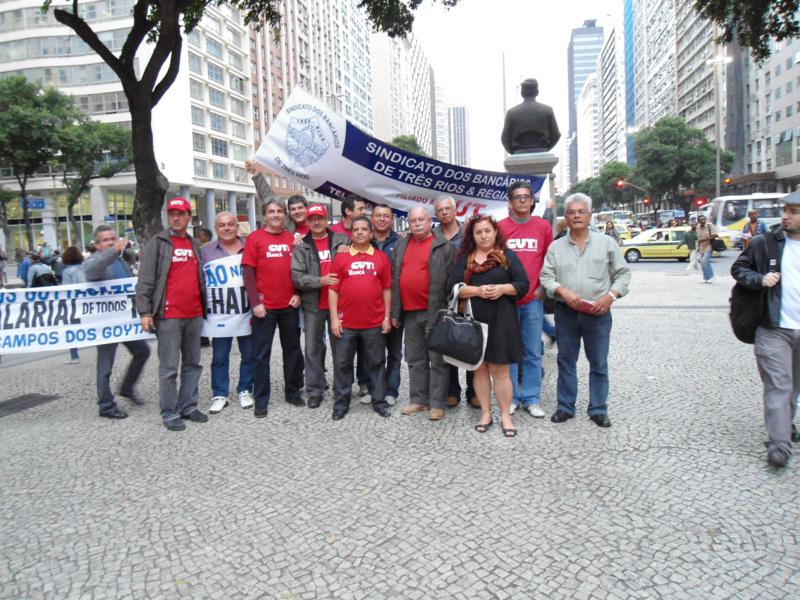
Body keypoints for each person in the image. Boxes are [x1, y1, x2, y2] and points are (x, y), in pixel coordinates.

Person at [540, 193, 631, 427]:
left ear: (589, 215)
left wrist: (610, 296)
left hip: (598, 313)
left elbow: (623, 274)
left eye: (581, 212)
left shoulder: (606, 243)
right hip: (566, 313)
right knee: (566, 361)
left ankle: (598, 409)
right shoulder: (556, 247)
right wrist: (562, 291)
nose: (577, 216)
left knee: (598, 362)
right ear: (566, 217)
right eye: (572, 212)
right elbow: (546, 276)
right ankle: (565, 406)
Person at [731, 194, 800, 467]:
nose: (786, 216)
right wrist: (760, 279)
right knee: (778, 385)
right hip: (772, 327)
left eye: (793, 212)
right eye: (785, 210)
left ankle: (786, 424)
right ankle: (779, 445)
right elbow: (738, 268)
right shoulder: (766, 243)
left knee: (794, 386)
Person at [449, 215, 529, 437]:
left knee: (501, 371)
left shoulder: (507, 256)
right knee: (480, 368)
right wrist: (477, 291)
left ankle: (505, 415)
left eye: (487, 231)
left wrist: (503, 289)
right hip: (474, 322)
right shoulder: (465, 258)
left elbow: (523, 284)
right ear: (472, 236)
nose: (483, 235)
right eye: (478, 232)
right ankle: (485, 413)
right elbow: (453, 287)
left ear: (495, 232)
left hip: (502, 320)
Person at [136, 197, 208, 431]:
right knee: (168, 367)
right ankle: (169, 412)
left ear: (189, 217)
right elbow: (145, 279)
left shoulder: (194, 244)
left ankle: (188, 405)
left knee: (193, 363)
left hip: (194, 314)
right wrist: (145, 312)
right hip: (168, 315)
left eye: (181, 214)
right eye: (172, 214)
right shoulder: (158, 243)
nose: (176, 218)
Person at [242, 197, 304, 418]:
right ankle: (261, 399)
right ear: (264, 215)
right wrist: (255, 303)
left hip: (289, 305)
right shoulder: (255, 238)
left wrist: (298, 294)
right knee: (261, 355)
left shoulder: (292, 239)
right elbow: (248, 273)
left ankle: (293, 391)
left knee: (293, 352)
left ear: (285, 215)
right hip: (264, 308)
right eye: (271, 211)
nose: (276, 215)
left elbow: (300, 271)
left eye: (280, 211)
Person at [392, 207, 455, 421]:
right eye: (413, 220)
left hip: (435, 312)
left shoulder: (443, 246)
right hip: (409, 313)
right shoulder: (402, 245)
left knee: (437, 360)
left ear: (430, 221)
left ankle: (437, 403)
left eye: (421, 219)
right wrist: (394, 311)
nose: (417, 223)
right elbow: (394, 279)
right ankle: (419, 399)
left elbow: (450, 282)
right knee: (414, 358)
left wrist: (447, 310)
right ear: (408, 223)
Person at [329, 216, 393, 420]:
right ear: (351, 233)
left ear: (370, 233)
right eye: (356, 229)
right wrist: (333, 319)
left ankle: (379, 401)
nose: (359, 232)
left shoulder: (381, 257)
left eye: (364, 229)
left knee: (376, 363)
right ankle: (341, 404)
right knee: (342, 364)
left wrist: (386, 317)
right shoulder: (341, 258)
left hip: (374, 322)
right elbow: (333, 290)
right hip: (346, 323)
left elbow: (387, 289)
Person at [498, 181, 553, 419]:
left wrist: (542, 288)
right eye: (517, 197)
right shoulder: (500, 228)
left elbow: (550, 261)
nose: (522, 200)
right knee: (510, 352)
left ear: (532, 201)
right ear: (509, 202)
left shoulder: (542, 227)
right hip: (507, 301)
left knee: (532, 352)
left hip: (533, 299)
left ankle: (532, 398)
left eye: (526, 196)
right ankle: (512, 397)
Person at [85, 226, 151, 419]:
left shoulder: (121, 260)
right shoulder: (95, 262)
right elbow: (92, 271)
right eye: (106, 240)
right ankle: (105, 405)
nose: (111, 242)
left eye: (113, 238)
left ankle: (127, 387)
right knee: (105, 365)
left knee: (143, 351)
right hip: (105, 324)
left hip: (124, 322)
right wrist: (113, 251)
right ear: (97, 245)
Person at [292, 204, 349, 408]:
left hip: (339, 304)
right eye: (312, 218)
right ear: (306, 222)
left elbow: (356, 259)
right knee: (312, 349)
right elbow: (297, 277)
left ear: (327, 220)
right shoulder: (301, 246)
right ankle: (315, 390)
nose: (316, 222)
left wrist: (348, 251)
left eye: (320, 218)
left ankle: (341, 389)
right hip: (313, 305)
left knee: (341, 349)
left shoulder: (342, 240)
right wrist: (320, 280)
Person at [201, 212, 255, 414]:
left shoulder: (250, 246)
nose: (226, 228)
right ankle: (220, 394)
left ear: (236, 226)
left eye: (230, 224)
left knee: (249, 354)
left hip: (246, 310)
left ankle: (245, 389)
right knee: (219, 356)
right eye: (222, 225)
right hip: (219, 314)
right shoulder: (205, 251)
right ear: (216, 228)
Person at [434, 195, 473, 408]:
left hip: (467, 294)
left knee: (469, 339)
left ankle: (473, 390)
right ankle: (452, 390)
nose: (444, 212)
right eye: (440, 210)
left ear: (455, 209)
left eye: (447, 208)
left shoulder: (468, 232)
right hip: (441, 296)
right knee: (448, 342)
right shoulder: (433, 235)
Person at [368, 203, 403, 406]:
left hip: (395, 305)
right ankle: (373, 387)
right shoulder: (362, 240)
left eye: (386, 216)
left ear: (391, 220)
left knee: (395, 351)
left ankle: (391, 389)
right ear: (372, 218)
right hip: (370, 307)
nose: (382, 219)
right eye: (378, 216)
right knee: (371, 350)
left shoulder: (400, 243)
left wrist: (396, 310)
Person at [501, 78, 561, 154]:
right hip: (541, 149)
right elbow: (556, 135)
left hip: (518, 151)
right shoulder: (547, 110)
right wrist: (546, 149)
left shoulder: (511, 113)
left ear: (522, 93)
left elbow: (505, 138)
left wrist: (513, 152)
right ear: (537, 92)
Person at [61, 246, 86, 364]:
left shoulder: (67, 272)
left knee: (72, 329)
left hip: (74, 304)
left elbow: (66, 289)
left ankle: (74, 356)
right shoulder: (86, 268)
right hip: (88, 301)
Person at [696, 214, 718, 283]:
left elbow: (715, 235)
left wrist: (704, 239)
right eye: (701, 220)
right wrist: (697, 248)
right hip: (701, 247)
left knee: (705, 260)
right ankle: (706, 278)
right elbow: (697, 239)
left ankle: (711, 276)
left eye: (704, 219)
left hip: (709, 246)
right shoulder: (697, 228)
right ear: (698, 221)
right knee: (702, 262)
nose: (703, 221)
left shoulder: (709, 225)